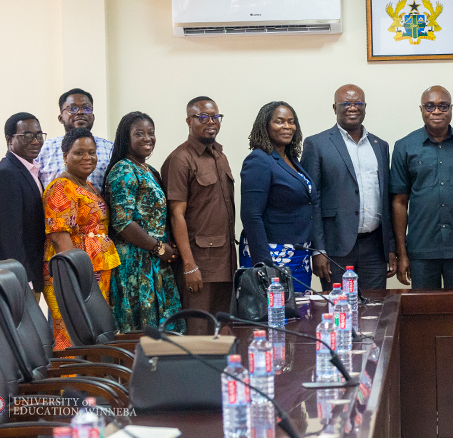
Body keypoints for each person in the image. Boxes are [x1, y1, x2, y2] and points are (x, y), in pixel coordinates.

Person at [301, 85, 396, 290]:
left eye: (358, 103)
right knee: (340, 311)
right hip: (335, 248)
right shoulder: (316, 144)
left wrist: (391, 247)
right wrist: (318, 250)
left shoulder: (380, 145)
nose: (352, 108)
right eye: (346, 103)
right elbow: (311, 201)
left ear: (365, 107)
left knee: (374, 310)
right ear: (335, 108)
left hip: (375, 248)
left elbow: (385, 199)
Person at [391, 86, 453, 289]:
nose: (436, 111)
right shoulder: (404, 146)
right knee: (424, 315)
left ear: (451, 109)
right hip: (421, 249)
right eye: (430, 106)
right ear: (421, 109)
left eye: (443, 106)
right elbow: (399, 202)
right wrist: (402, 253)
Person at [161, 96, 236, 335]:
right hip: (199, 264)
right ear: (188, 121)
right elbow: (176, 215)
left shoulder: (219, 156)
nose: (211, 122)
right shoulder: (181, 159)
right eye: (202, 117)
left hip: (225, 261)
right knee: (198, 332)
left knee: (221, 331)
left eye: (215, 117)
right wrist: (190, 265)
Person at [105, 112, 184, 333]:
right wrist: (158, 248)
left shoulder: (148, 170)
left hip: (156, 261)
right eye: (139, 134)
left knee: (165, 332)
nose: (147, 138)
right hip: (136, 262)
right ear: (126, 138)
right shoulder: (123, 170)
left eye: (151, 133)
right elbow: (122, 223)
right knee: (143, 332)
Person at [42, 127, 120, 349]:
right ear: (65, 156)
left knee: (93, 334)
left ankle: (89, 381)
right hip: (72, 274)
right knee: (71, 335)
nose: (87, 157)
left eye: (92, 152)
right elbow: (59, 237)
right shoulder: (61, 188)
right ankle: (69, 383)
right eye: (79, 153)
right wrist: (76, 278)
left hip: (92, 271)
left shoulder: (86, 185)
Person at [241, 101, 316, 288]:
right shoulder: (259, 159)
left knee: (300, 312)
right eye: (280, 121)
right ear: (265, 126)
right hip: (272, 255)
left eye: (291, 122)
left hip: (299, 253)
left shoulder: (291, 159)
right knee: (275, 314)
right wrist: (263, 263)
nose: (287, 127)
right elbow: (251, 215)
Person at [0, 112, 47, 296]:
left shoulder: (30, 169)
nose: (35, 141)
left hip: (30, 271)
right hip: (16, 277)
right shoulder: (7, 174)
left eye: (39, 135)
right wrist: (25, 280)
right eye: (27, 135)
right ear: (9, 140)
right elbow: (10, 236)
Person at [36, 88, 113, 189]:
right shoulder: (44, 149)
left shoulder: (110, 149)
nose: (80, 112)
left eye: (86, 108)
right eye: (72, 109)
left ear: (93, 117)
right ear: (60, 118)